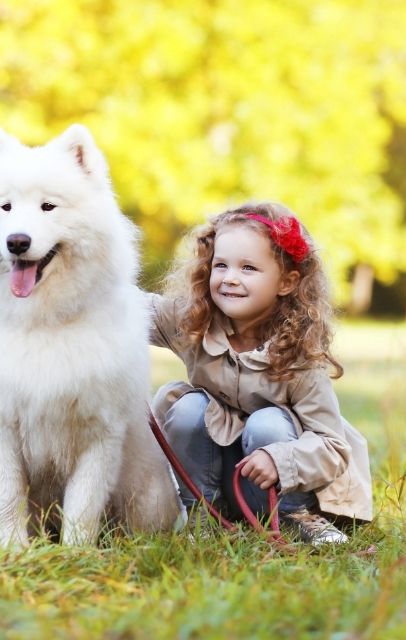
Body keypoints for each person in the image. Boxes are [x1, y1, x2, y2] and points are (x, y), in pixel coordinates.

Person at [147, 202, 373, 545]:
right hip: (219, 481)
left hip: (276, 486)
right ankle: (200, 517)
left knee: (267, 421)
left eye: (248, 268)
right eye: (220, 265)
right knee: (188, 408)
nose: (230, 278)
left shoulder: (299, 354)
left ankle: (294, 517)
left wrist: (280, 458)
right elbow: (128, 307)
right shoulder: (192, 322)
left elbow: (332, 446)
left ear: (286, 281)